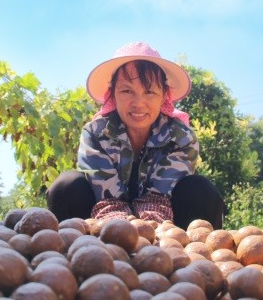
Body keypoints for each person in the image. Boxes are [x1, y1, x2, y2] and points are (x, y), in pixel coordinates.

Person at [46, 42, 225, 229]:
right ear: (113, 94)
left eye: (149, 92)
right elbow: (109, 202)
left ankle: (197, 247)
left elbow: (158, 200)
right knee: (67, 185)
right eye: (126, 90)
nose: (138, 103)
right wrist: (118, 234)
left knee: (200, 189)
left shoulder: (181, 138)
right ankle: (70, 244)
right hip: (103, 219)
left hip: (165, 221)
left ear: (164, 96)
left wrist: (151, 236)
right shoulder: (95, 134)